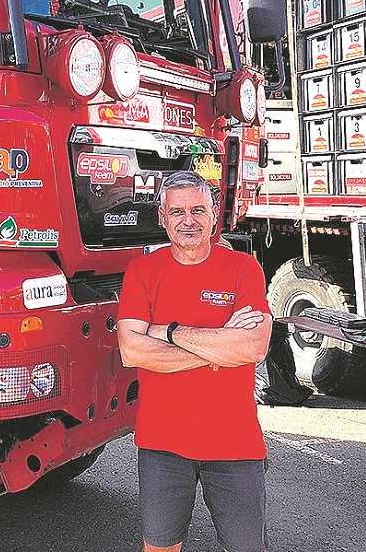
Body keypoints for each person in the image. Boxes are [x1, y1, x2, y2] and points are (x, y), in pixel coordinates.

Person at [116, 170, 273, 552]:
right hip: (162, 445)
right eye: (178, 212)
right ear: (162, 217)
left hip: (235, 445)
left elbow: (253, 347)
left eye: (198, 210)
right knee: (160, 548)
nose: (189, 220)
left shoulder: (243, 269)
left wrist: (166, 332)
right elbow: (131, 351)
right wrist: (219, 346)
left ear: (214, 214)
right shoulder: (142, 271)